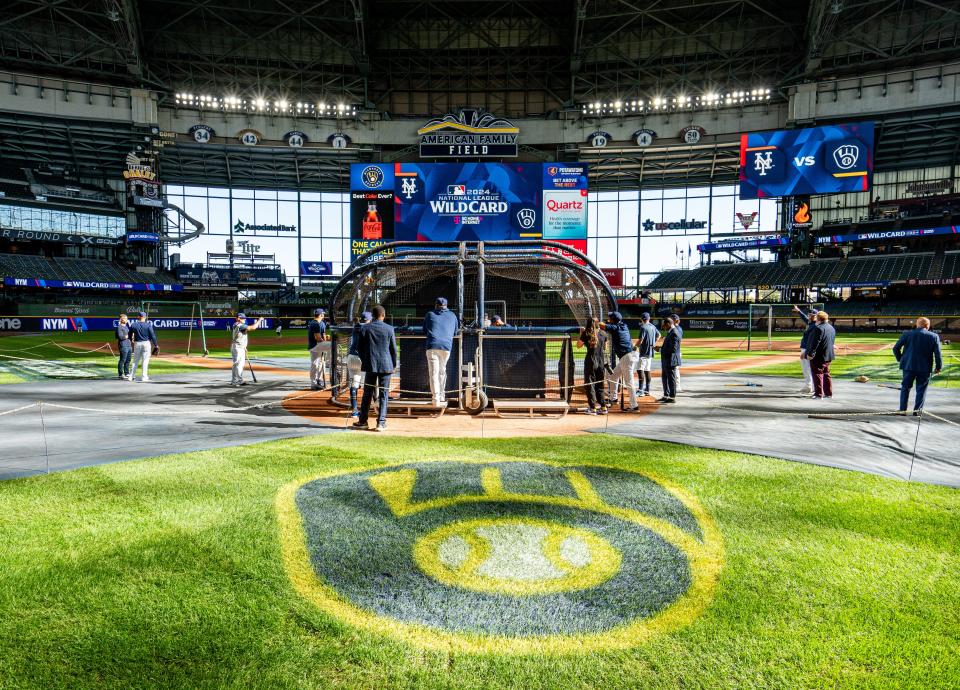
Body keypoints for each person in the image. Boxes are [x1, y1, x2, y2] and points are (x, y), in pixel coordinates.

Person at [354, 305, 397, 432]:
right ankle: (381, 423)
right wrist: (393, 364)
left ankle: (363, 421)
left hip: (370, 365)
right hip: (386, 366)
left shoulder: (365, 328)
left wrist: (365, 360)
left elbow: (359, 348)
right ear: (383, 315)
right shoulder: (389, 329)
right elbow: (393, 350)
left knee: (367, 394)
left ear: (372, 315)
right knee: (384, 394)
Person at [893, 316, 943, 415]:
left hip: (908, 366)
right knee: (921, 390)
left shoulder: (907, 334)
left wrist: (901, 359)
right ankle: (917, 412)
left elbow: (895, 348)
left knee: (905, 388)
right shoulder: (934, 336)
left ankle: (903, 410)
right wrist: (938, 367)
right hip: (924, 368)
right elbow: (938, 354)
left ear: (917, 325)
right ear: (927, 326)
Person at [423, 297, 459, 406]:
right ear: (446, 306)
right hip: (446, 347)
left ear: (436, 305)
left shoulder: (429, 314)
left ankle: (436, 399)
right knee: (442, 371)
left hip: (433, 345)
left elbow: (424, 330)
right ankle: (442, 396)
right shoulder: (452, 315)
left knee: (434, 373)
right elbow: (455, 332)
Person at [600, 311, 639, 410]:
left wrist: (602, 322)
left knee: (629, 382)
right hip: (628, 356)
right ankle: (613, 398)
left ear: (613, 320)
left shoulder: (615, 327)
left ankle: (634, 406)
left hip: (626, 357)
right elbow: (609, 325)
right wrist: (609, 322)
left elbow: (601, 325)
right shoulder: (623, 325)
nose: (609, 319)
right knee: (613, 375)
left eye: (610, 318)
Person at [577, 316, 608, 414]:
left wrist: (581, 333)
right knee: (600, 384)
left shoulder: (586, 333)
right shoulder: (603, 333)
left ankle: (593, 408)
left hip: (591, 361)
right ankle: (603, 407)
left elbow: (578, 345)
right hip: (601, 361)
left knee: (590, 384)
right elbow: (605, 347)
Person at [346, 311, 373, 417]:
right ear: (369, 319)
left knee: (354, 384)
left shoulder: (356, 326)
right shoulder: (369, 328)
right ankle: (376, 406)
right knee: (372, 380)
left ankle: (354, 410)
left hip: (351, 357)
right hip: (362, 358)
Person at [805, 311, 836, 399]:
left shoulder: (818, 328)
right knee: (826, 374)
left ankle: (818, 394)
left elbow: (815, 343)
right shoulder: (831, 328)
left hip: (819, 356)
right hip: (828, 355)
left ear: (818, 319)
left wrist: (810, 354)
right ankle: (828, 393)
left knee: (817, 373)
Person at [230, 313, 264, 386]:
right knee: (238, 364)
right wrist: (259, 320)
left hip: (239, 347)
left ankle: (235, 380)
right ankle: (237, 381)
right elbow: (253, 328)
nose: (245, 319)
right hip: (238, 347)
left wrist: (244, 347)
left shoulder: (236, 324)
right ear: (238, 318)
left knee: (237, 364)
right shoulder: (240, 325)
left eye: (245, 318)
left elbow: (240, 336)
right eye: (243, 318)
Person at [793, 305, 819, 394]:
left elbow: (813, 340)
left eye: (811, 315)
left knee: (807, 368)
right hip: (808, 348)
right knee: (809, 368)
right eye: (809, 315)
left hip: (807, 349)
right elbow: (805, 318)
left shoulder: (815, 326)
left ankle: (809, 386)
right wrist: (798, 311)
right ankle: (811, 386)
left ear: (816, 316)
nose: (809, 316)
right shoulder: (812, 323)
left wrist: (807, 351)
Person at [128, 311, 158, 382]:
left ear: (138, 317)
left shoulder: (134, 325)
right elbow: (152, 335)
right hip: (146, 343)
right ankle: (144, 377)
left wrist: (131, 339)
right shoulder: (148, 325)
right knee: (145, 361)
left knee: (135, 360)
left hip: (137, 343)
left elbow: (129, 334)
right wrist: (156, 344)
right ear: (145, 317)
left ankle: (130, 376)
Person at [657, 316, 681, 403]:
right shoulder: (671, 332)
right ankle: (666, 395)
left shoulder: (674, 333)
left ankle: (672, 396)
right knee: (665, 377)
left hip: (670, 360)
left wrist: (660, 349)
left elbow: (673, 349)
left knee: (671, 378)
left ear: (668, 324)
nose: (663, 327)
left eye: (664, 325)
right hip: (666, 359)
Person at [636, 312, 659, 397]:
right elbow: (659, 335)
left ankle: (640, 390)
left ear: (642, 319)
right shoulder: (653, 326)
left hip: (643, 352)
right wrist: (653, 343)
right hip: (650, 351)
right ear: (649, 318)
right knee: (647, 370)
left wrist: (635, 347)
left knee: (640, 370)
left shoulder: (643, 327)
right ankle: (647, 390)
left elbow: (641, 340)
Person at [307, 308, 330, 390]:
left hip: (320, 345)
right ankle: (313, 383)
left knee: (320, 364)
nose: (324, 315)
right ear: (321, 315)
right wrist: (324, 342)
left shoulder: (322, 323)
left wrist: (326, 339)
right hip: (315, 346)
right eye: (323, 314)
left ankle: (319, 380)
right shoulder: (315, 324)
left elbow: (323, 335)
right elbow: (318, 338)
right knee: (315, 364)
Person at [115, 313, 132, 381]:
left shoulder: (126, 326)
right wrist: (127, 336)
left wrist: (131, 337)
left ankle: (127, 373)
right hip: (123, 345)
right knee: (122, 360)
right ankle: (120, 374)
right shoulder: (119, 327)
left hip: (129, 345)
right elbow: (120, 337)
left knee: (128, 360)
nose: (126, 319)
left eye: (126, 318)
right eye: (125, 318)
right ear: (121, 319)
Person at [670, 314, 684, 393]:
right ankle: (675, 386)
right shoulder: (677, 328)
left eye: (672, 319)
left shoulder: (677, 328)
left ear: (675, 320)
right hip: (676, 351)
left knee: (675, 370)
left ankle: (677, 386)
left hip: (675, 352)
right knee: (674, 370)